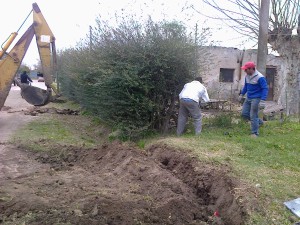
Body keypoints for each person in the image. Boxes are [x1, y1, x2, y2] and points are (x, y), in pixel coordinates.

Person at [238, 61, 268, 137]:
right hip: (248, 97)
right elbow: (246, 86)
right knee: (244, 114)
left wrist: (263, 100)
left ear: (251, 69)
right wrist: (242, 94)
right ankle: (260, 122)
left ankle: (254, 133)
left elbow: (265, 88)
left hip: (256, 98)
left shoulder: (260, 77)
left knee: (253, 115)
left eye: (246, 69)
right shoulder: (247, 76)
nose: (245, 71)